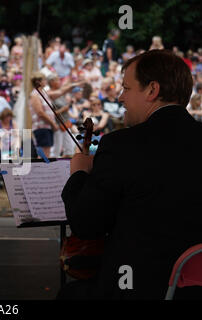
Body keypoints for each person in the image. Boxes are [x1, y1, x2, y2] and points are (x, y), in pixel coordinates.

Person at [58, 50, 202, 299]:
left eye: (126, 87)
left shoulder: (121, 145)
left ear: (151, 90)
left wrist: (79, 174)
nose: (121, 97)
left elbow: (86, 224)